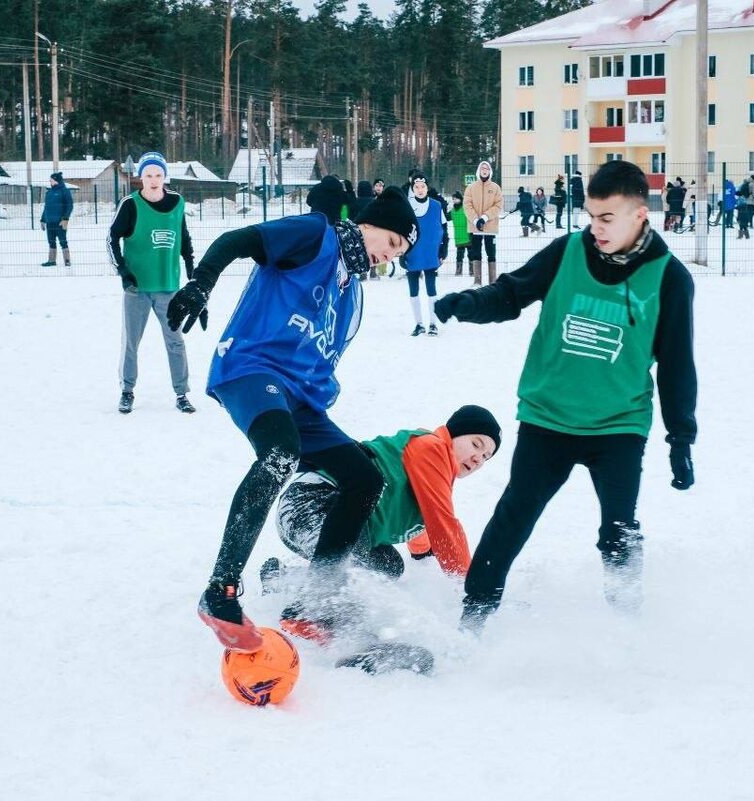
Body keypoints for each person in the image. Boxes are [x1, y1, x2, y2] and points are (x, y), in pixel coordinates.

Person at [433, 159, 697, 627]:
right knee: (514, 516)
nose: (596, 228)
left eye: (607, 218)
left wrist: (681, 437)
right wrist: (469, 303)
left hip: (618, 425)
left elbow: (677, 364)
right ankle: (473, 620)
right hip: (547, 418)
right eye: (591, 216)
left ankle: (627, 623)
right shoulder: (567, 252)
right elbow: (511, 294)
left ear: (640, 215)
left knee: (619, 530)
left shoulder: (670, 279)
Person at [166, 186, 418, 652]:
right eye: (392, 243)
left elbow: (322, 353)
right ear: (368, 224)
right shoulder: (315, 235)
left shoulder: (352, 293)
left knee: (364, 477)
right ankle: (220, 590)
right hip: (252, 367)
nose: (390, 256)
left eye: (399, 254)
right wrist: (201, 283)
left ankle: (315, 600)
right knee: (280, 453)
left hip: (299, 398)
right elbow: (237, 240)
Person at [263, 405, 501, 606]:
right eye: (476, 444)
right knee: (353, 575)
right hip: (311, 505)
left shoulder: (436, 478)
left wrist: (422, 555)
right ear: (453, 434)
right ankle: (313, 618)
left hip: (328, 524)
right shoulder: (432, 447)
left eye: (486, 457)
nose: (478, 459)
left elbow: (425, 519)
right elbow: (442, 524)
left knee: (388, 567)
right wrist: (475, 586)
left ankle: (283, 579)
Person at [107, 151, 198, 416]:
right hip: (137, 288)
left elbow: (183, 236)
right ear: (141, 177)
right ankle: (127, 391)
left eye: (158, 174)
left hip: (168, 286)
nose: (154, 180)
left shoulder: (177, 202)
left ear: (164, 176)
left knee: (175, 341)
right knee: (131, 342)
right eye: (148, 175)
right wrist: (123, 271)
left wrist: (191, 266)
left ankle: (181, 393)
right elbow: (111, 238)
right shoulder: (130, 204)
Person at [405, 173, 448, 336]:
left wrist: (443, 250)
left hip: (431, 254)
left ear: (427, 188)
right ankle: (419, 324)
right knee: (413, 290)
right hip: (412, 254)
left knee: (431, 289)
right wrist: (401, 254)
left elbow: (444, 230)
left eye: (423, 186)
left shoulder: (436, 206)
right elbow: (400, 232)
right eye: (416, 187)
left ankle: (433, 324)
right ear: (413, 189)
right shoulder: (407, 206)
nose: (420, 189)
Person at [463, 160, 503, 285]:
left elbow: (498, 205)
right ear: (478, 171)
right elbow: (467, 206)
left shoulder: (495, 188)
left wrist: (485, 217)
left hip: (490, 227)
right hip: (475, 227)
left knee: (491, 253)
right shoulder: (471, 188)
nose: (484, 171)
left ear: (490, 171)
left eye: (487, 169)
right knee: (476, 252)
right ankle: (477, 281)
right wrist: (476, 220)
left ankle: (493, 282)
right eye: (482, 168)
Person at [40, 171, 73, 267]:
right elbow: (46, 207)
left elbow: (69, 206)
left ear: (56, 180)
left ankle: (67, 260)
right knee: (51, 241)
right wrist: (43, 219)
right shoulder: (49, 192)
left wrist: (65, 218)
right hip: (49, 222)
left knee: (63, 241)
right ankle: (51, 260)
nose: (50, 181)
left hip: (60, 222)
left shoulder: (64, 191)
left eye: (51, 180)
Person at [450, 191, 471, 277]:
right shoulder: (452, 211)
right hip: (458, 237)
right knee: (459, 255)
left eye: (456, 199)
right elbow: (446, 217)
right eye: (453, 199)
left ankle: (472, 271)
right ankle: (458, 271)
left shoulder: (466, 209)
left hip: (468, 235)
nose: (454, 200)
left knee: (471, 255)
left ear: (460, 199)